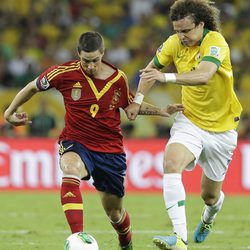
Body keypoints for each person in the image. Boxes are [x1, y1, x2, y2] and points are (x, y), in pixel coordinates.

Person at [4, 31, 183, 250]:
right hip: (76, 141)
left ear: (103, 54)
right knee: (70, 169)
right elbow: (32, 86)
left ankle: (126, 243)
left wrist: (160, 111)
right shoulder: (63, 73)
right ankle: (78, 238)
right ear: (78, 54)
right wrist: (10, 112)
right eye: (86, 61)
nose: (90, 66)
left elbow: (130, 107)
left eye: (95, 60)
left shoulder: (118, 78)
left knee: (115, 213)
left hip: (110, 150)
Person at [125, 1, 242, 250]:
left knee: (209, 196)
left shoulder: (216, 42)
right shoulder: (173, 43)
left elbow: (204, 75)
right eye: (177, 30)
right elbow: (149, 72)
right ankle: (180, 239)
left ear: (201, 25)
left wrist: (166, 76)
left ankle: (209, 217)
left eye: (187, 31)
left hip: (222, 130)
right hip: (190, 121)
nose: (181, 36)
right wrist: (137, 101)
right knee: (170, 162)